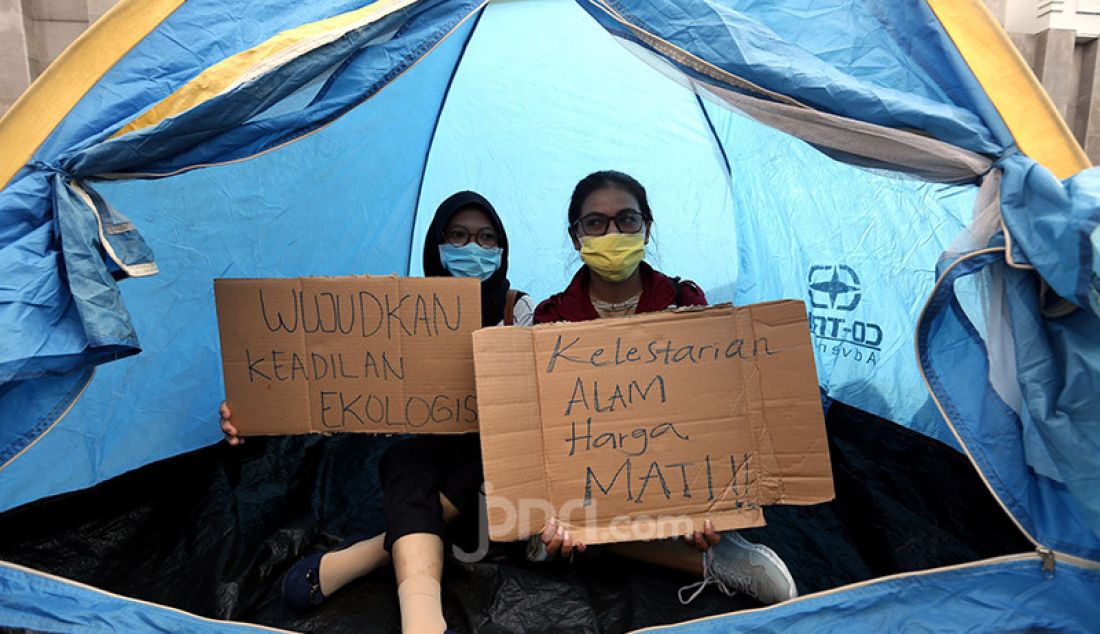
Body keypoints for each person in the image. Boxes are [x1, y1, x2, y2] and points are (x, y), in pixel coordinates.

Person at [221, 191, 533, 633]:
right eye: (458, 236)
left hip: (497, 463)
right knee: (403, 462)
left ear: (501, 250)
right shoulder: (406, 311)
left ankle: (371, 551)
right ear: (436, 244)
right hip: (432, 457)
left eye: (486, 239)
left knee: (486, 468)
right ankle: (423, 621)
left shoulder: (517, 310)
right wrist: (253, 414)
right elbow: (337, 380)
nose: (472, 249)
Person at [532, 170, 797, 606]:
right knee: (546, 526)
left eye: (627, 220)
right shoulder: (550, 322)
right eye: (595, 223)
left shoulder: (685, 303)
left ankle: (709, 551)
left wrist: (708, 504)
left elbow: (714, 416)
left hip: (673, 484)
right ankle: (704, 565)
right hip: (588, 488)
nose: (612, 233)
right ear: (576, 237)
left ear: (647, 228)